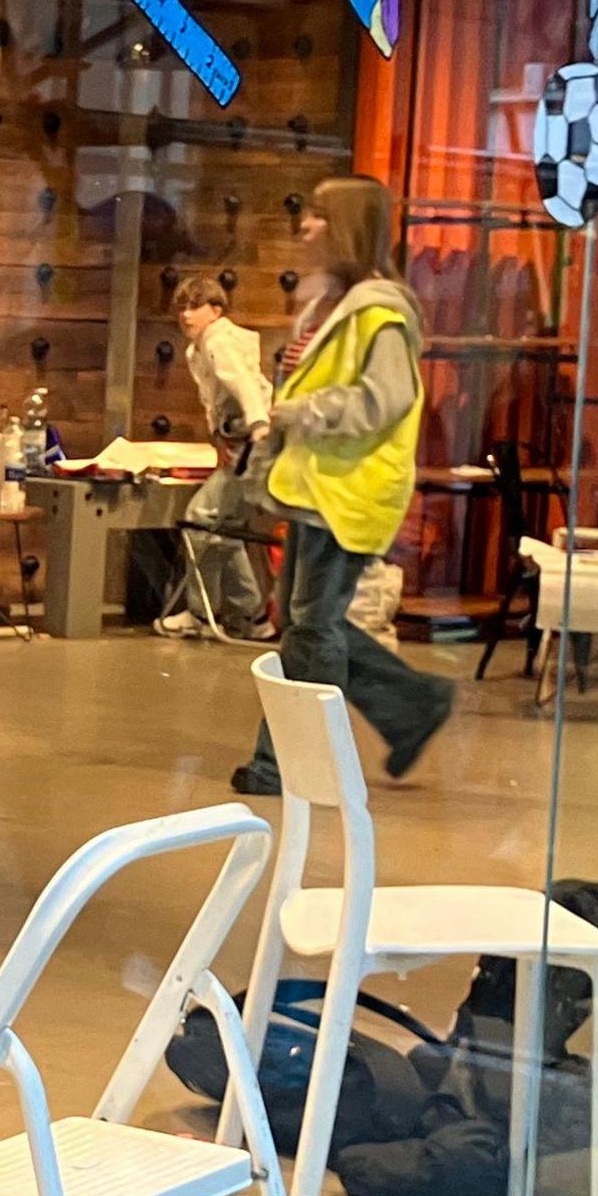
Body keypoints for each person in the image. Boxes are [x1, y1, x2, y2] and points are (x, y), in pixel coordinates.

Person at [235, 176, 455, 794]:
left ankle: (292, 765)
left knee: (311, 627)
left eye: (318, 216)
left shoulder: (378, 312)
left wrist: (301, 412)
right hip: (317, 485)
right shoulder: (334, 305)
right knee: (308, 622)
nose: (304, 226)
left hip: (348, 488)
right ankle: (413, 705)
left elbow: (386, 399)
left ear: (347, 227)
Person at [164, 275, 277, 640]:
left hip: (254, 441)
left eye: (195, 306)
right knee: (223, 529)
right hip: (239, 441)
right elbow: (212, 401)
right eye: (182, 307)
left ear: (215, 310)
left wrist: (258, 425)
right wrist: (218, 440)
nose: (186, 315)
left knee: (200, 519)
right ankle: (252, 616)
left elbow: (243, 383)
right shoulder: (197, 349)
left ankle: (202, 614)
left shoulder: (219, 340)